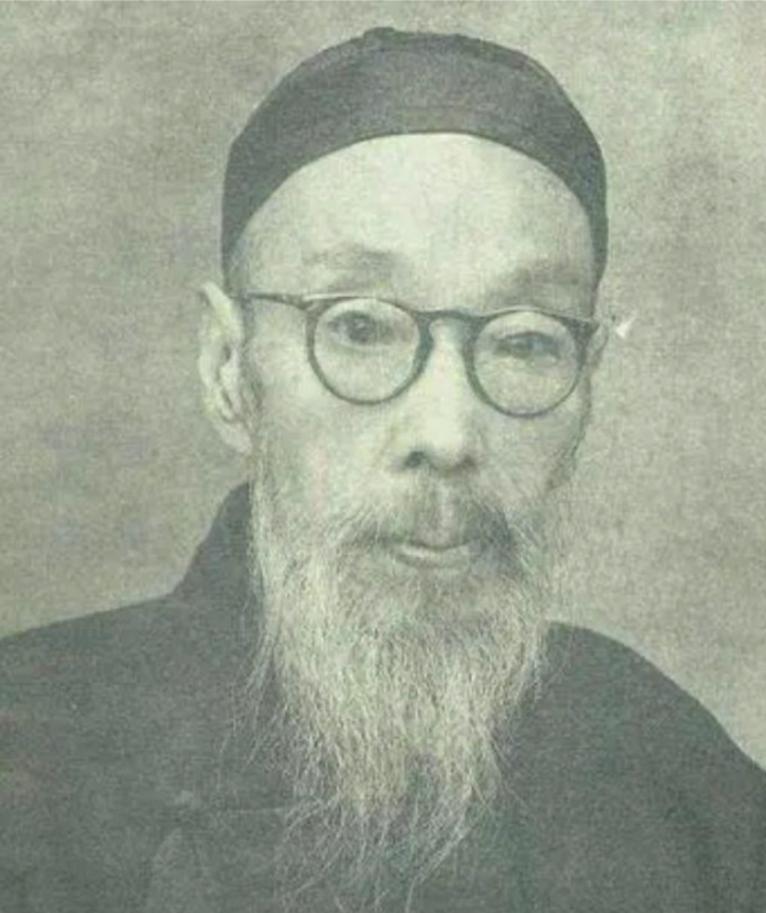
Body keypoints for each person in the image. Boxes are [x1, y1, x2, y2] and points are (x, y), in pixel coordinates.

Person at [1, 27, 764, 913]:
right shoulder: (32, 747)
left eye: (525, 341)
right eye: (359, 327)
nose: (447, 433)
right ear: (228, 370)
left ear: (588, 382)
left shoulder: (664, 773)